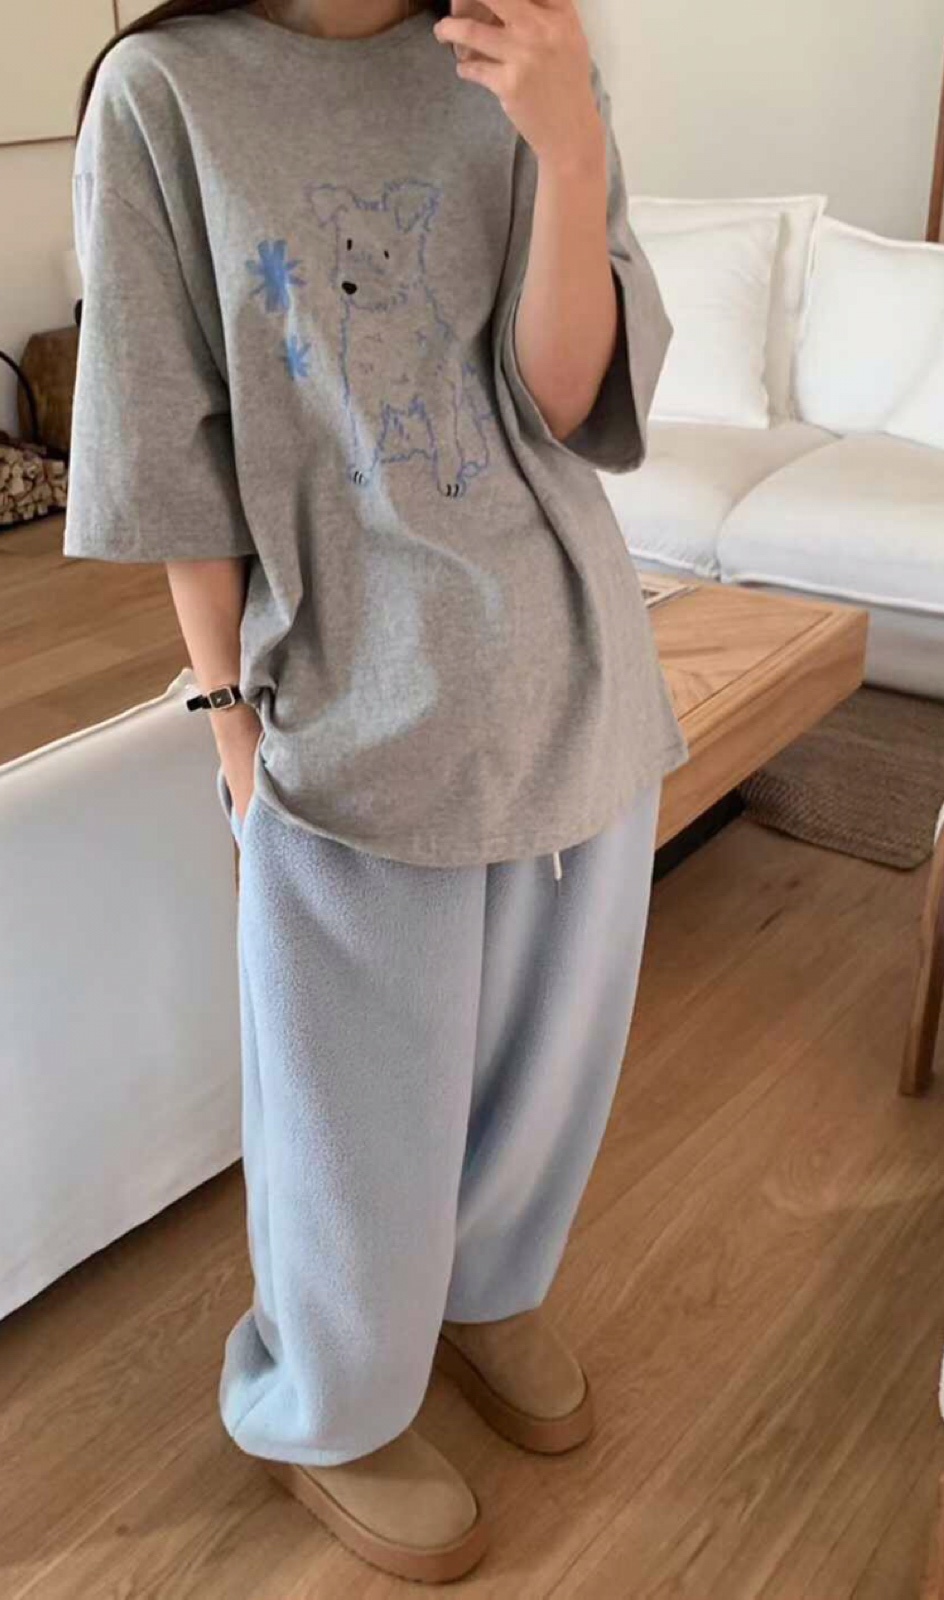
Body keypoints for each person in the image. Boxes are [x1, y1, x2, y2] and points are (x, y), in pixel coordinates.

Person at [67, 0, 688, 1581]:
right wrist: (229, 727)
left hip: (571, 657)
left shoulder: (520, 43)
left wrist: (569, 145)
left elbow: (562, 405)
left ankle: (488, 1289)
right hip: (346, 701)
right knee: (349, 1108)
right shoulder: (162, 94)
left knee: (550, 1061)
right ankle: (331, 1405)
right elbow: (166, 447)